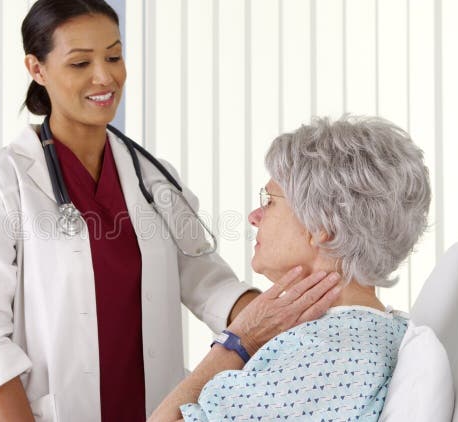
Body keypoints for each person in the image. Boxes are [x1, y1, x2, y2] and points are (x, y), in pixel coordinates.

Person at [0, 1, 341, 421]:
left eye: (114, 56)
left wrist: (303, 313)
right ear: (37, 68)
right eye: (80, 63)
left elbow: (207, 282)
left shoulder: (154, 179)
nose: (105, 77)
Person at [150, 115, 433, 421]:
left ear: (323, 224)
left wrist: (239, 340)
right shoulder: (375, 334)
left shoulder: (324, 355)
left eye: (269, 201)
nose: (254, 216)